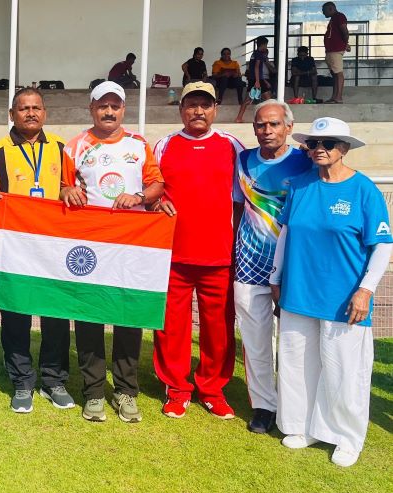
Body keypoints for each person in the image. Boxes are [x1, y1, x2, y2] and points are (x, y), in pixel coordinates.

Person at [270, 117, 391, 467]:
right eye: (314, 143)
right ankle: (301, 426)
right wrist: (276, 278)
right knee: (296, 363)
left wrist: (366, 290)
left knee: (344, 368)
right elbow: (286, 234)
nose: (320, 149)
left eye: (330, 143)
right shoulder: (301, 185)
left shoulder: (363, 189)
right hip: (298, 290)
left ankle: (346, 436)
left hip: (344, 297)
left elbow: (382, 246)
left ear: (345, 149)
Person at [60, 81, 165, 423]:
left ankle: (125, 390)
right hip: (90, 243)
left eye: (115, 106)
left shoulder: (139, 144)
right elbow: (63, 186)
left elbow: (157, 184)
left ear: (123, 110)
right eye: (102, 106)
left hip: (130, 242)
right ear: (91, 109)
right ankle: (92, 392)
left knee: (127, 316)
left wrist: (140, 198)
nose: (109, 111)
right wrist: (68, 191)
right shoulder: (75, 146)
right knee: (89, 315)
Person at [153, 81, 242, 420]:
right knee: (171, 327)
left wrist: (235, 245)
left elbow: (242, 199)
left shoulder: (231, 146)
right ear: (181, 109)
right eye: (192, 104)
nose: (198, 111)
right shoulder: (165, 145)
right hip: (174, 256)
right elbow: (152, 189)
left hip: (219, 256)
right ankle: (176, 388)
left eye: (205, 104)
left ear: (215, 109)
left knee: (217, 327)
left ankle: (212, 388)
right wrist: (158, 201)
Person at [0, 88, 72, 413]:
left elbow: (70, 189)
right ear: (12, 114)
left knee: (56, 317)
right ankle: (22, 383)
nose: (30, 113)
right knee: (15, 317)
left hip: (53, 248)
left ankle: (54, 380)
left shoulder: (62, 148)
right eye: (23, 108)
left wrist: (69, 189)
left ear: (44, 112)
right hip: (15, 248)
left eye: (36, 107)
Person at [232, 100, 314, 435]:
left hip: (292, 268)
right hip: (248, 267)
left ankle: (296, 407)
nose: (267, 131)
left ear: (289, 127)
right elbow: (238, 209)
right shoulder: (242, 160)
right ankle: (264, 406)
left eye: (275, 124)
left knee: (295, 342)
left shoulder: (306, 161)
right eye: (261, 125)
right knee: (255, 341)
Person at [235, 36, 272, 123]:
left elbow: (256, 69)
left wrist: (264, 81)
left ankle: (239, 118)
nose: (266, 47)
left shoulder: (254, 53)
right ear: (263, 45)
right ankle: (270, 117)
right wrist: (258, 81)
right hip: (256, 80)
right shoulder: (259, 54)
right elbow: (256, 67)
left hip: (254, 79)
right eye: (266, 45)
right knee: (266, 99)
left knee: (265, 98)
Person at [322, 2, 349, 103]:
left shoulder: (339, 16)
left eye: (324, 10)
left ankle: (338, 97)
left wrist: (345, 43)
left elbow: (345, 31)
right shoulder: (333, 19)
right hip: (331, 50)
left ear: (330, 8)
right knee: (334, 74)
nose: (323, 13)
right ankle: (334, 96)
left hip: (335, 50)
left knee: (338, 73)